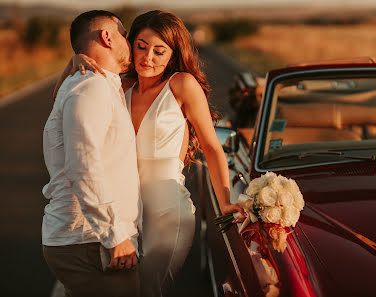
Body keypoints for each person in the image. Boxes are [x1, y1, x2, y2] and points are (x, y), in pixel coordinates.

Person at [57, 10, 244, 296]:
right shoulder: (121, 86)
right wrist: (72, 63)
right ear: (130, 43)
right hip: (124, 212)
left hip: (167, 212)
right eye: (141, 46)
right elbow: (63, 106)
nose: (148, 58)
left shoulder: (182, 84)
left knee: (147, 291)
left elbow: (211, 146)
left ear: (173, 54)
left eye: (160, 51)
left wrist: (225, 201)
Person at [42, 10, 141, 297]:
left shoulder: (102, 84)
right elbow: (83, 166)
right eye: (123, 33)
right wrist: (114, 235)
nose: (129, 41)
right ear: (107, 36)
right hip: (89, 239)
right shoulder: (91, 87)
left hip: (89, 237)